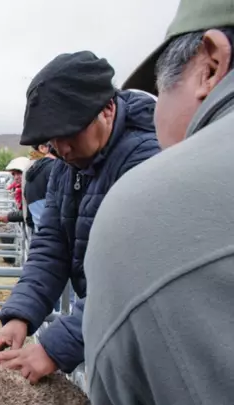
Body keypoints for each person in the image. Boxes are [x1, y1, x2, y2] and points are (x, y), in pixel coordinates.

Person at [82, 1, 234, 403]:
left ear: (210, 67)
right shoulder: (72, 169)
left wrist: (57, 341)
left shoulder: (144, 204)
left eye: (162, 87)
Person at [0, 50, 161, 384]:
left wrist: (53, 349)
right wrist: (20, 316)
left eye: (70, 133)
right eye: (53, 139)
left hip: (151, 345)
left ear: (106, 109)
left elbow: (138, 276)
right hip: (105, 330)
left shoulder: (147, 160)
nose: (61, 148)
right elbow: (51, 246)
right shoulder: (68, 168)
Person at [0, 145, 56, 232]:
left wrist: (9, 217)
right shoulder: (21, 189)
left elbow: (28, 214)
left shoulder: (32, 185)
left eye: (19, 173)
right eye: (13, 174)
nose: (16, 177)